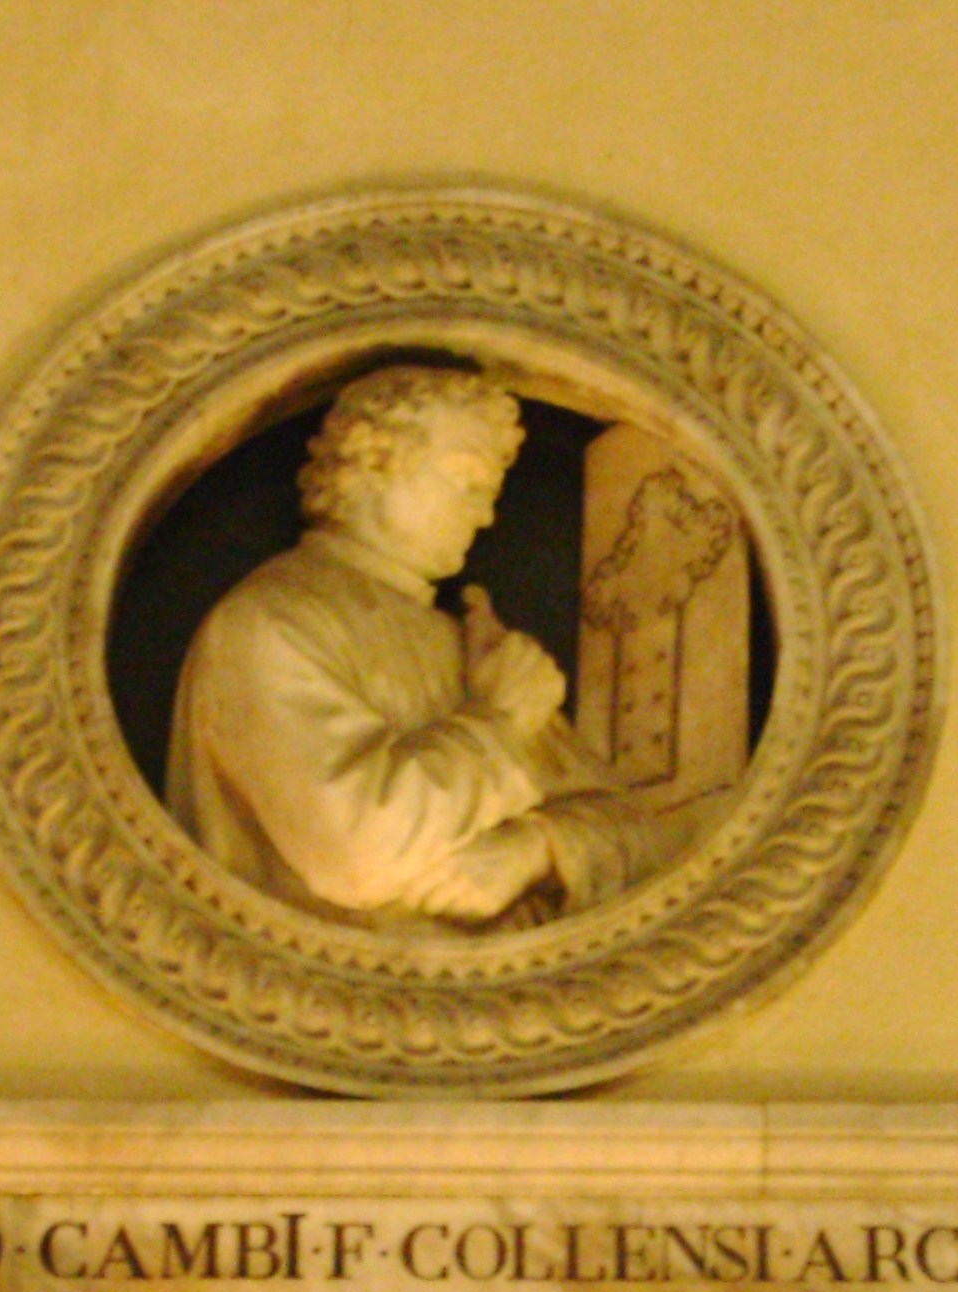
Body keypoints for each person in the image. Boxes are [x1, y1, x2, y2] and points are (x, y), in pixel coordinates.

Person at [165, 367, 662, 930]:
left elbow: (641, 835)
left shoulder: (469, 646)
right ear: (372, 459)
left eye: (491, 491)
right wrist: (498, 724)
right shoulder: (270, 619)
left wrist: (537, 850)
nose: (486, 515)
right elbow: (357, 853)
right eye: (467, 478)